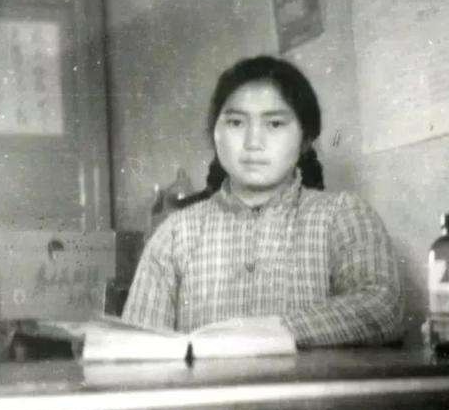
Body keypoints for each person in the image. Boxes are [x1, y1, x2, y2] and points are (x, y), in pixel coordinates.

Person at [122, 56, 404, 347]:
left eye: (275, 124)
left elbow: (382, 307)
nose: (253, 142)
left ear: (305, 139)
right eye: (235, 122)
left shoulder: (343, 214)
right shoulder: (174, 234)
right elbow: (134, 344)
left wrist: (276, 330)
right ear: (215, 134)